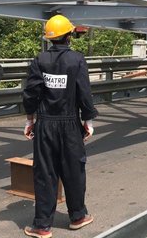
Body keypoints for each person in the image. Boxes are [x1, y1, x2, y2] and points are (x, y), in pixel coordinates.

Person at [22, 15, 97, 238]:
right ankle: (78, 216)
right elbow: (84, 92)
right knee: (74, 170)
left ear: (50, 38)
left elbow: (31, 93)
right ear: (69, 35)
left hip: (45, 123)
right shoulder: (77, 60)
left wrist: (29, 119)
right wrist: (88, 121)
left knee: (45, 172)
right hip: (70, 123)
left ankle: (42, 226)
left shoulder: (39, 60)